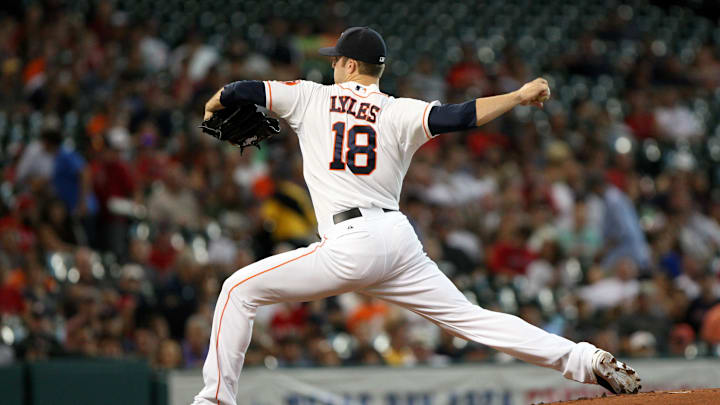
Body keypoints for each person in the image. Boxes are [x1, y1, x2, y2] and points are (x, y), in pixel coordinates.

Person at [193, 27, 641, 405]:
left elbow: (240, 90)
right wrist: (519, 95)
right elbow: (460, 116)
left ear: (350, 66)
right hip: (397, 238)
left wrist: (215, 102)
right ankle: (584, 360)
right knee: (471, 318)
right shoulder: (398, 109)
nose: (332, 65)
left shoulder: (310, 97)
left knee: (237, 289)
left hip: (350, 241)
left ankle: (213, 401)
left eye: (337, 60)